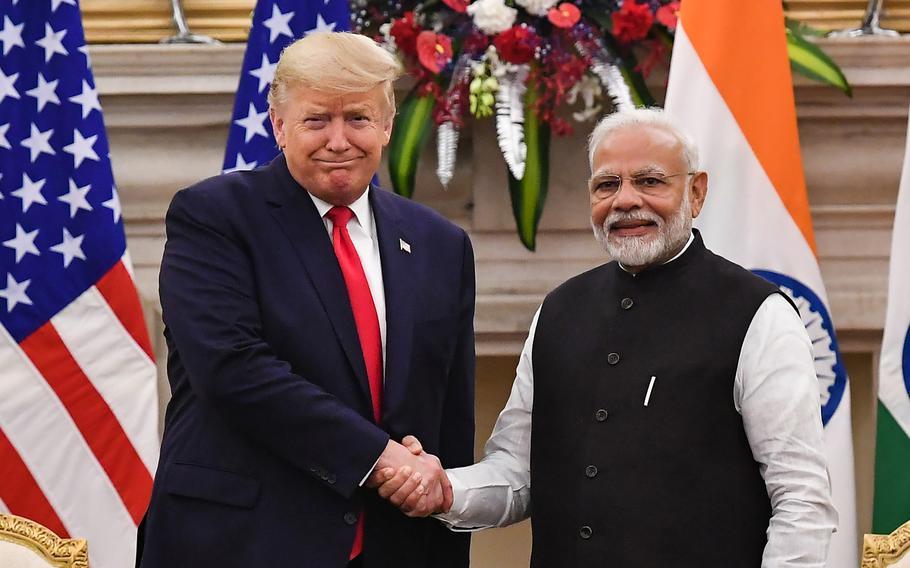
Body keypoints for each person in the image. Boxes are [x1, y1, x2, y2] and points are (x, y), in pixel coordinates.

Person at [373, 108, 838, 567]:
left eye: (650, 181)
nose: (625, 201)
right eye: (607, 185)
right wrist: (446, 490)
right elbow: (518, 472)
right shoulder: (558, 311)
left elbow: (801, 499)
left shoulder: (759, 315)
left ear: (696, 193)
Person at [136, 32, 474, 568]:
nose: (338, 140)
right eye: (317, 119)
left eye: (359, 119)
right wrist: (380, 458)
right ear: (279, 125)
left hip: (394, 548)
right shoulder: (215, 217)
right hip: (240, 544)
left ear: (387, 126)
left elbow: (449, 416)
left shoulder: (440, 244)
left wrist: (445, 527)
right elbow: (232, 369)